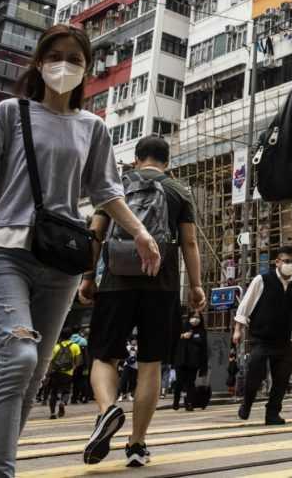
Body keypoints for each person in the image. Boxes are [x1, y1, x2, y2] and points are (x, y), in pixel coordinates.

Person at [0, 24, 161, 477]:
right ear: (39, 61)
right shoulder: (11, 113)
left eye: (75, 58)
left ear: (87, 69)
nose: (64, 65)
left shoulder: (93, 128)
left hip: (60, 264)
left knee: (31, 378)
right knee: (20, 357)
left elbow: (108, 192)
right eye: (56, 55)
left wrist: (141, 233)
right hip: (3, 253)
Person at [80, 134, 206, 466]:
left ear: (136, 159)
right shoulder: (179, 190)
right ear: (167, 162)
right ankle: (136, 445)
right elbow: (190, 243)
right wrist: (195, 286)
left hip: (115, 283)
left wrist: (88, 276)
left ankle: (108, 411)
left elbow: (95, 232)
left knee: (104, 356)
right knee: (151, 363)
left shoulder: (116, 185)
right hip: (161, 284)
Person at [232, 247, 292, 424]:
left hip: (283, 340)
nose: (290, 265)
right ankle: (247, 404)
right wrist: (238, 329)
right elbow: (246, 305)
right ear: (277, 262)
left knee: (282, 378)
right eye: (286, 261)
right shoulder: (262, 280)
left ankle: (272, 413)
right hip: (261, 339)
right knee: (255, 374)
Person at [172, 313, 208, 412]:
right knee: (179, 382)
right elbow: (173, 339)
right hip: (181, 361)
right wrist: (183, 336)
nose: (195, 320)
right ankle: (176, 402)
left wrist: (203, 366)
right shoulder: (183, 328)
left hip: (193, 362)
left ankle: (189, 404)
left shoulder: (202, 332)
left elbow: (204, 350)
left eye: (197, 318)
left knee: (190, 384)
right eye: (193, 317)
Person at [47, 335, 82, 419]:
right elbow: (78, 361)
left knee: (53, 393)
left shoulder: (56, 347)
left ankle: (52, 413)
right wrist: (73, 368)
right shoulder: (75, 346)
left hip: (55, 372)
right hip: (68, 373)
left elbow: (50, 362)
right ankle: (63, 402)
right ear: (70, 336)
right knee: (66, 391)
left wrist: (48, 373)